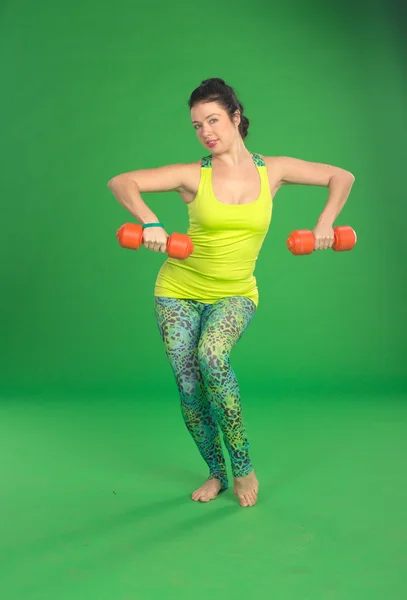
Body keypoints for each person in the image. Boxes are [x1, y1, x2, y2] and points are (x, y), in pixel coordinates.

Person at [107, 78, 355, 508]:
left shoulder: (272, 169)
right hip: (177, 291)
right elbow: (121, 182)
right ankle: (216, 473)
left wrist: (324, 225)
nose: (206, 131)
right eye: (197, 125)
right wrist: (149, 222)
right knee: (188, 386)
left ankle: (243, 468)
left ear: (236, 118)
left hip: (236, 293)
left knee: (212, 357)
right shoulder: (192, 175)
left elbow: (341, 176)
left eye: (214, 120)